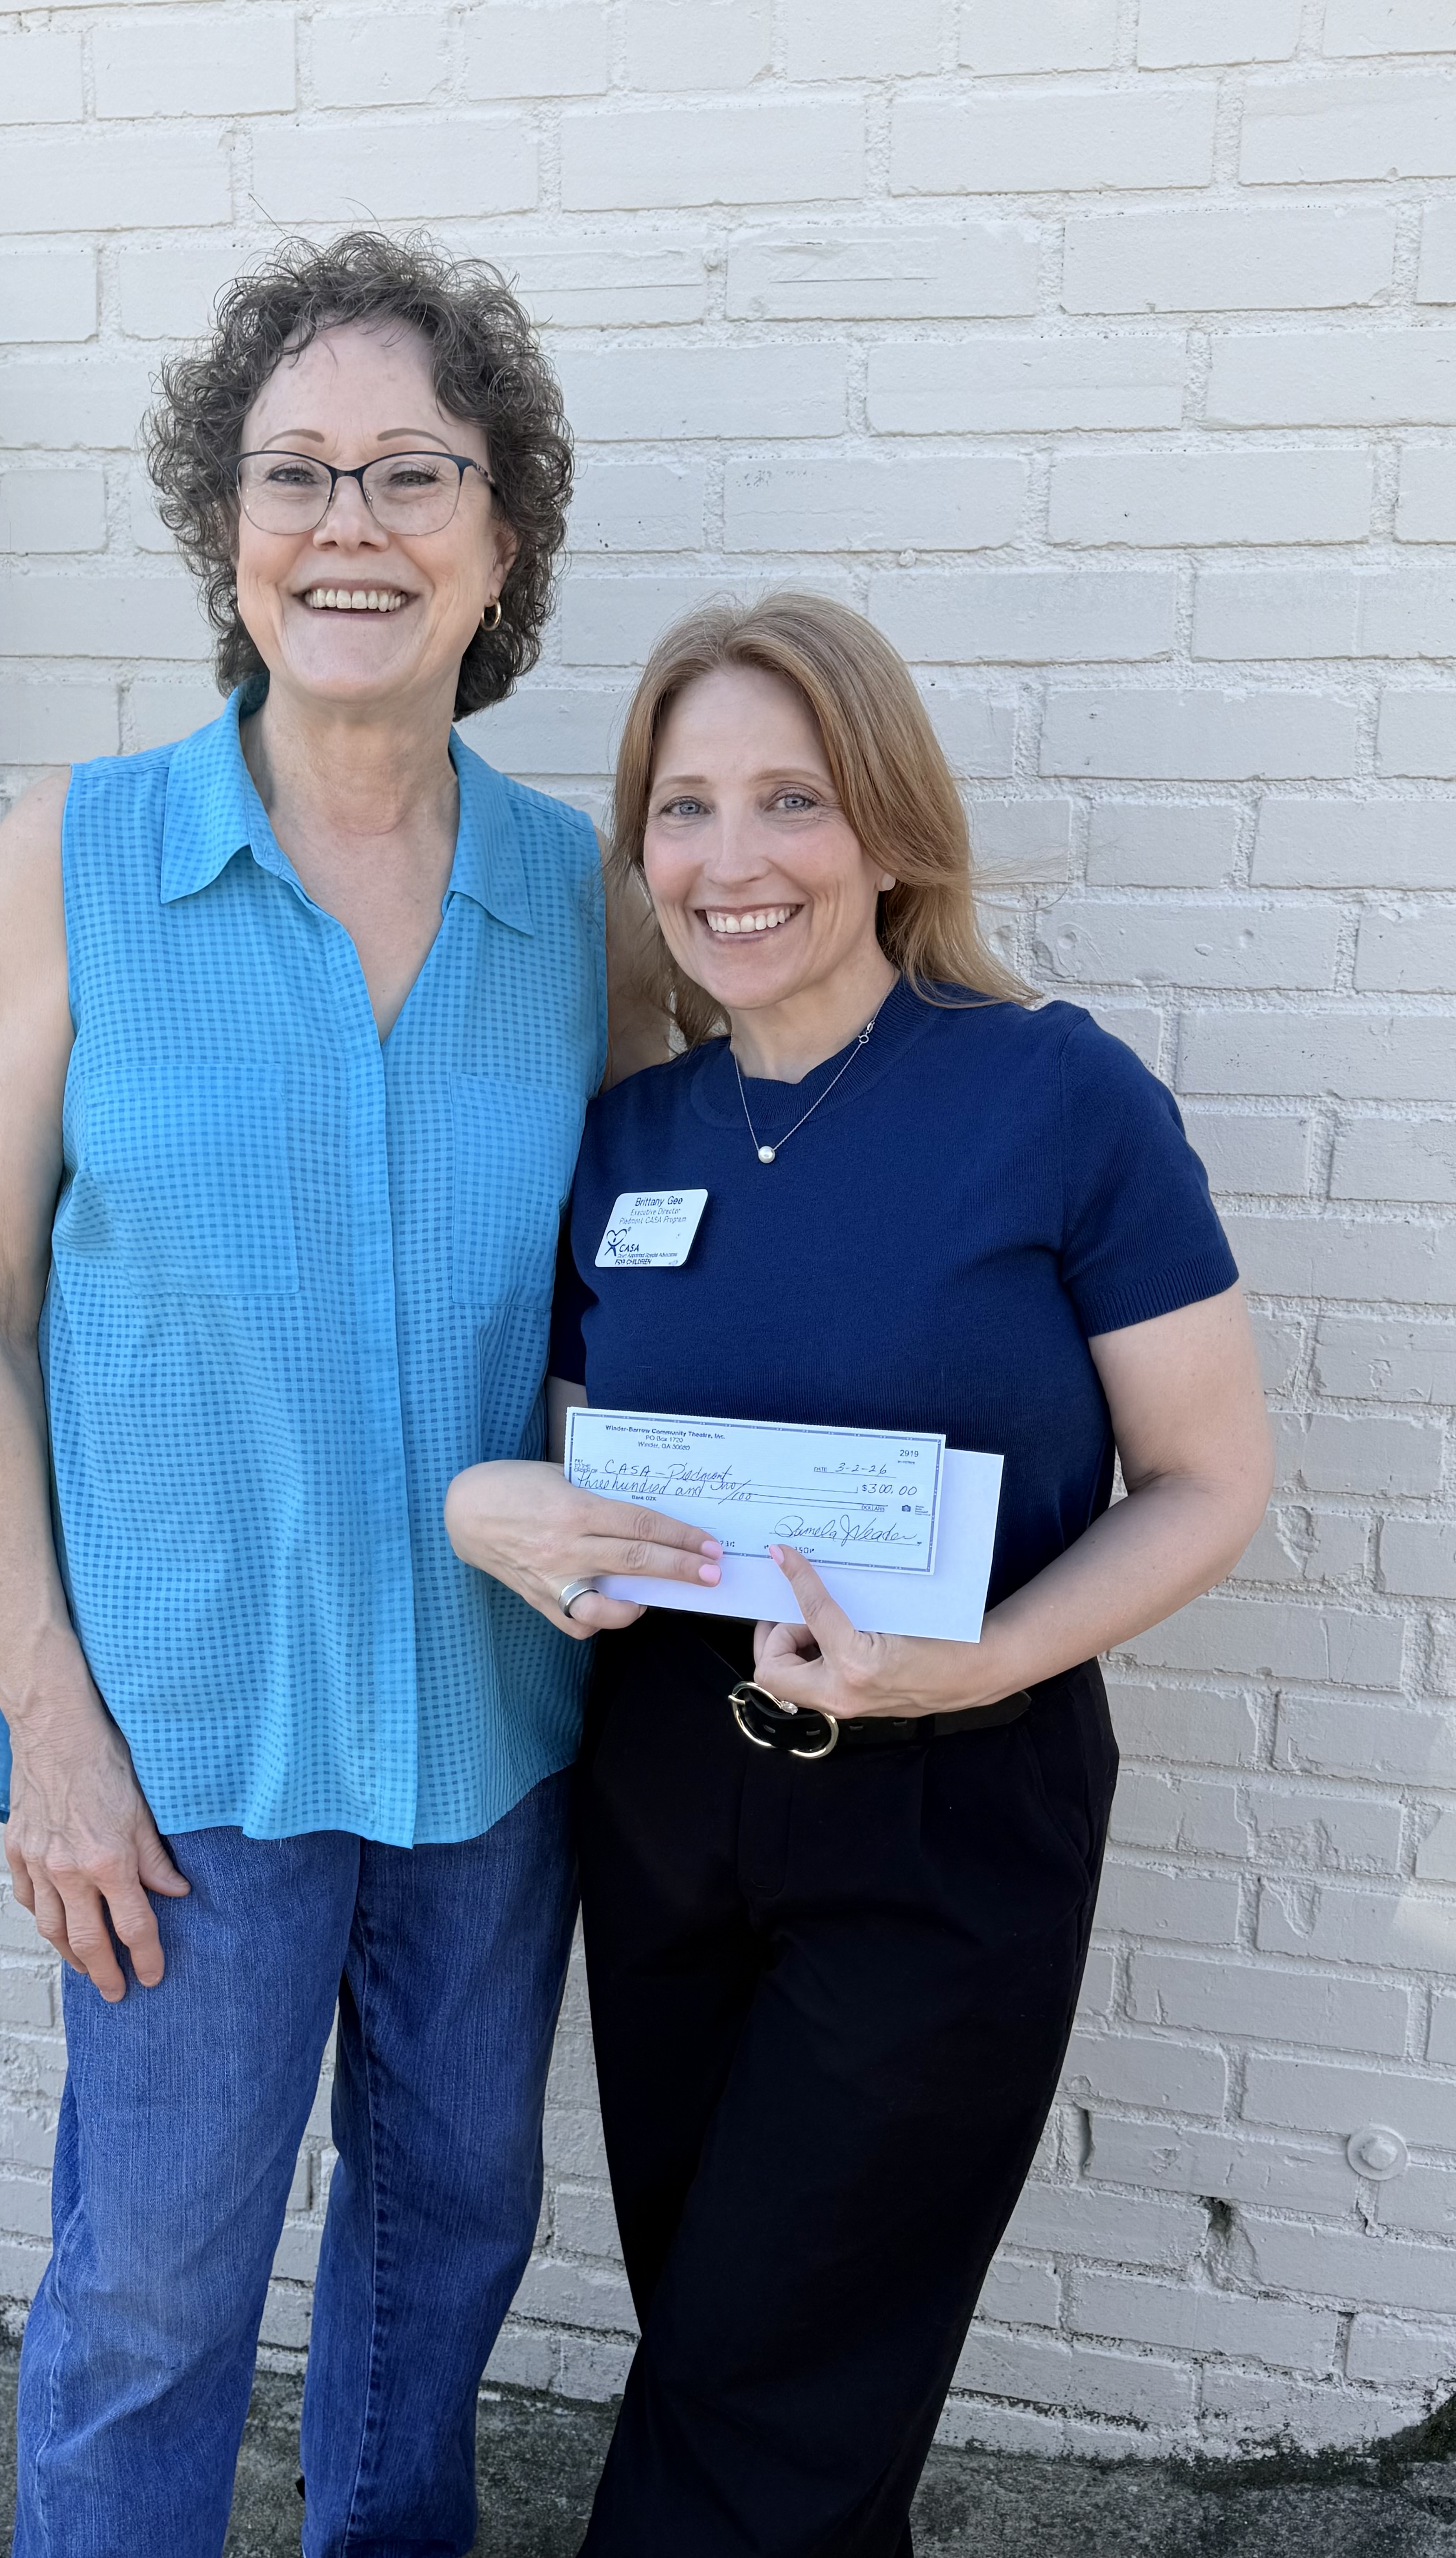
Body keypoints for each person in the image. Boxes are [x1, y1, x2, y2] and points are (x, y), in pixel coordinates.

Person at [0, 231, 703, 2558]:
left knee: (447, 2249)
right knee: (155, 2292)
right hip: (177, 1745)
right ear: (225, 525)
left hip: (490, 1735)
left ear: (502, 538)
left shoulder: (582, 898)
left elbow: (640, 1308)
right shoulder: (78, 857)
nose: (348, 523)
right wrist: (49, 1719)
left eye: (412, 472)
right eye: (294, 472)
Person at [445, 593, 1274, 2558]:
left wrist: (978, 1661)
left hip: (947, 1807)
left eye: (790, 799)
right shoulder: (621, 1140)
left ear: (891, 828)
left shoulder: (1054, 1098)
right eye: (682, 806)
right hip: (664, 1799)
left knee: (759, 2400)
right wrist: (503, 1518)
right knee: (746, 2350)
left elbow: (1207, 1479)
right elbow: (595, 1470)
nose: (728, 858)